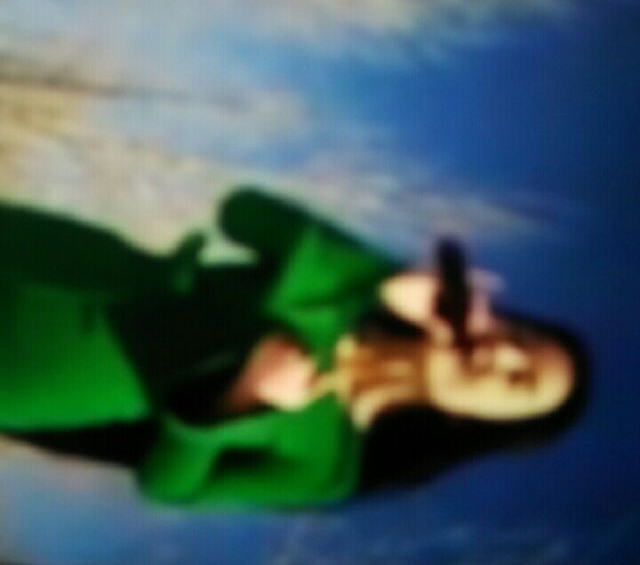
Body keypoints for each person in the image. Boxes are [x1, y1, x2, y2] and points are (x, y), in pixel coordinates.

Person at [0, 188, 587, 508]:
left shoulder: (328, 468)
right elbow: (242, 213)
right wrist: (381, 278)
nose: (503, 356)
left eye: (519, 382)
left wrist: (240, 400)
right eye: (521, 340)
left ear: (475, 419)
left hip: (35, 376)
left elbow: (167, 487)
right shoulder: (352, 292)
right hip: (48, 254)